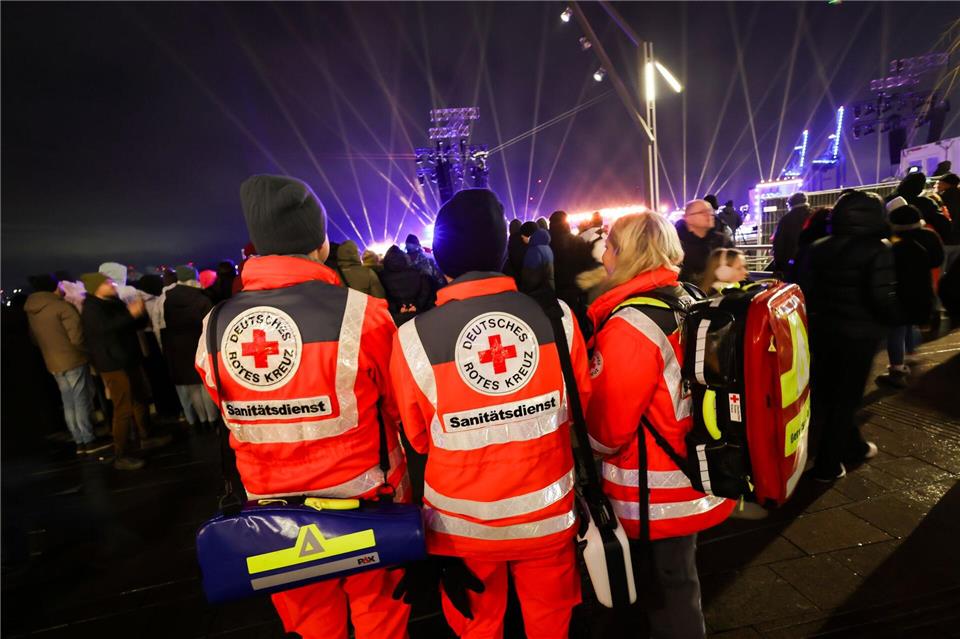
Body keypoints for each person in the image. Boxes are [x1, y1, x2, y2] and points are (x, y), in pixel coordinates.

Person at [196, 174, 410, 639]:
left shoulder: (215, 327)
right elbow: (396, 405)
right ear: (320, 244)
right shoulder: (365, 313)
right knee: (380, 616)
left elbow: (226, 405)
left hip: (273, 515)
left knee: (310, 624)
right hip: (368, 500)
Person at [390, 188, 590, 639]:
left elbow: (418, 437)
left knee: (477, 627)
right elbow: (579, 409)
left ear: (440, 259)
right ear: (503, 251)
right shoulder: (557, 316)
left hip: (461, 528)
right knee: (550, 624)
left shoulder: (413, 337)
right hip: (548, 515)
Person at [586, 212, 734, 638]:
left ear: (624, 254)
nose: (604, 255)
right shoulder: (687, 297)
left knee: (668, 594)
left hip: (654, 491)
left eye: (609, 246)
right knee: (681, 582)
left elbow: (607, 431)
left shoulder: (631, 325)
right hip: (695, 468)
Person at [798, 191, 899, 482]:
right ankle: (828, 465)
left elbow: (805, 290)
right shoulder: (878, 249)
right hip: (859, 335)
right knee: (847, 398)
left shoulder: (818, 247)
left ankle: (851, 445)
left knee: (827, 394)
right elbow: (883, 297)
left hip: (822, 332)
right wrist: (895, 318)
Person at [81, 272, 169, 470]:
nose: (112, 284)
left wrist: (140, 312)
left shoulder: (113, 301)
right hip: (113, 364)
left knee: (140, 399)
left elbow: (131, 324)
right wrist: (131, 313)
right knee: (123, 408)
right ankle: (121, 454)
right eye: (107, 282)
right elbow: (105, 328)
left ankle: (146, 437)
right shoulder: (91, 308)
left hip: (129, 358)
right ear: (96, 287)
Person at [25, 274, 109, 455]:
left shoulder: (32, 311)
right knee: (81, 400)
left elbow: (34, 339)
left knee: (68, 401)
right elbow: (77, 338)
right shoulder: (62, 307)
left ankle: (79, 440)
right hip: (73, 359)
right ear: (54, 288)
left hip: (52, 361)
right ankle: (89, 440)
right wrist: (89, 352)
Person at [876, 201, 944, 389]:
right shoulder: (929, 236)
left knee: (897, 328)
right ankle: (911, 354)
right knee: (911, 323)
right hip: (922, 287)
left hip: (899, 291)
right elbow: (938, 259)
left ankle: (897, 368)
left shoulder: (894, 243)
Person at [162, 265, 218, 429]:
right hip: (199, 344)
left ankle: (201, 421)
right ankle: (213, 420)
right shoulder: (202, 299)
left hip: (179, 348)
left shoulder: (169, 299)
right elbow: (210, 325)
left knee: (192, 386)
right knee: (204, 384)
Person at [675, 199, 734, 287]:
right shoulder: (676, 244)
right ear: (687, 218)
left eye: (710, 211)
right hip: (690, 296)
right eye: (702, 212)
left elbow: (737, 267)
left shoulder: (722, 241)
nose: (710, 215)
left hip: (722, 294)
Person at [886, 172, 952, 242]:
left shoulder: (888, 200)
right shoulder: (925, 203)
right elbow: (942, 222)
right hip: (920, 241)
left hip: (893, 241)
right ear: (920, 186)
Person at [380, 245, 435, 325]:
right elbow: (426, 292)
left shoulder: (381, 277)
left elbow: (383, 297)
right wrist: (417, 305)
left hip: (396, 320)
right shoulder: (418, 273)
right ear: (404, 259)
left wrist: (397, 309)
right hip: (419, 318)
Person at [772, 192, 812, 276]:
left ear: (790, 204)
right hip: (812, 262)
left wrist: (778, 265)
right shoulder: (814, 216)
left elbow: (778, 243)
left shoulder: (785, 219)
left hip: (791, 262)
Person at [936, 173, 960, 270]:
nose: (938, 186)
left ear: (947, 184)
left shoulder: (940, 199)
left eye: (940, 183)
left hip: (944, 240)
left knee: (940, 273)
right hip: (958, 240)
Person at [520, 227, 555, 294]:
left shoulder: (534, 250)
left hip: (537, 291)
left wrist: (526, 289)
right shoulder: (548, 248)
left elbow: (531, 275)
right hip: (549, 287)